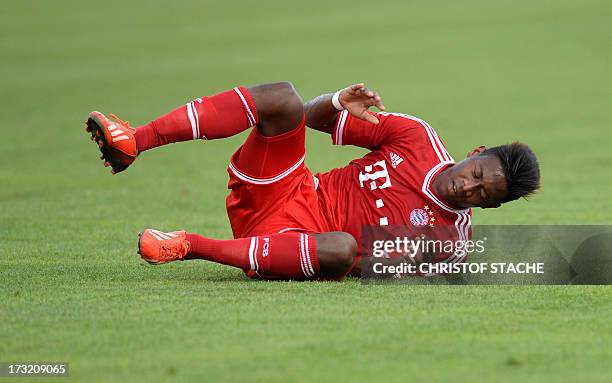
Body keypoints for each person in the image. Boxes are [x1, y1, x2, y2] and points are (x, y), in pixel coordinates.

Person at [84, 82, 540, 280]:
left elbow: (354, 267)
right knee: (282, 99)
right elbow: (310, 119)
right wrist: (337, 100)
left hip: (294, 245)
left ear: (489, 208)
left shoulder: (449, 243)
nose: (468, 188)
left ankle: (186, 245)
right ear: (476, 153)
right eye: (477, 175)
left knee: (340, 248)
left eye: (483, 196)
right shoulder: (416, 137)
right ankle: (134, 142)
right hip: (281, 188)